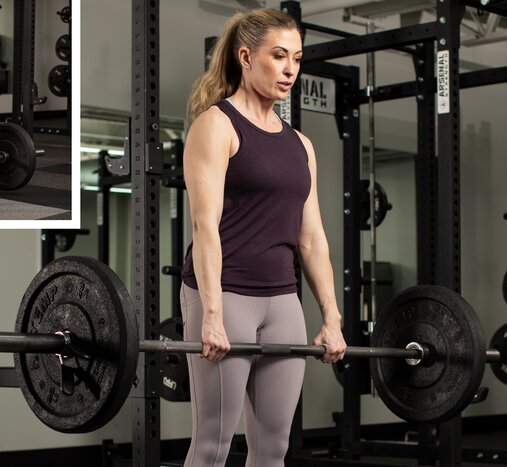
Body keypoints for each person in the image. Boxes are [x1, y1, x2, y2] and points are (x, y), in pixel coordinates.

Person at [180, 8, 347, 467]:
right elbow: (204, 226)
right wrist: (211, 312)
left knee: (274, 447)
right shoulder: (216, 126)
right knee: (213, 444)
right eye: (279, 56)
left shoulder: (300, 145)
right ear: (246, 57)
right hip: (226, 293)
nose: (290, 68)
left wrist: (331, 317)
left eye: (296, 57)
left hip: (282, 302)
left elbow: (312, 239)